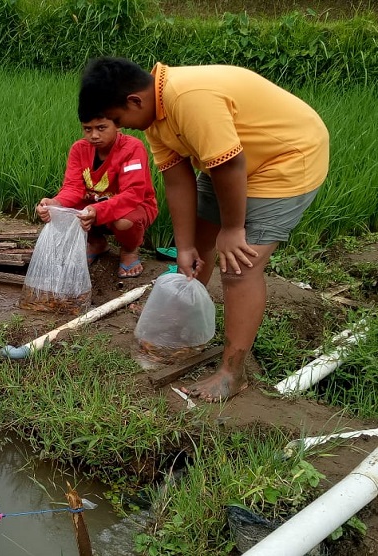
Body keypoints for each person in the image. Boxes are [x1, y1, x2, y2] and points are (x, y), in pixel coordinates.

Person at [78, 57, 329, 402]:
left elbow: (230, 165)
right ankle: (182, 309)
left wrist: (232, 228)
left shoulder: (188, 98)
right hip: (230, 158)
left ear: (134, 101)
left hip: (286, 158)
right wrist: (184, 247)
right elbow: (178, 181)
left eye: (119, 120)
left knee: (240, 265)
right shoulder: (155, 115)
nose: (125, 128)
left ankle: (231, 373)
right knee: (199, 244)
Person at [36, 117, 157, 278]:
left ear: (117, 125)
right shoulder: (79, 149)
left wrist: (97, 210)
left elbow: (132, 194)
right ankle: (96, 243)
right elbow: (72, 188)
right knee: (63, 211)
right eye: (87, 129)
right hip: (94, 205)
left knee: (124, 222)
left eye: (101, 128)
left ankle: (129, 250)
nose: (93, 135)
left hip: (132, 207)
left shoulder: (132, 148)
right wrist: (54, 203)